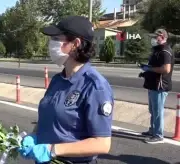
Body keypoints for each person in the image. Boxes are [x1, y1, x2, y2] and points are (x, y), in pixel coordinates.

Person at [18, 16, 114, 164]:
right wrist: (35, 136)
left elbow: (102, 143)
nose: (51, 44)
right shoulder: (57, 80)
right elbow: (48, 117)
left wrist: (53, 150)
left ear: (75, 44)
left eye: (57, 39)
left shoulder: (95, 86)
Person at [140, 28, 174, 144]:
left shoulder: (165, 51)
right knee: (153, 110)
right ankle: (153, 130)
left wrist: (149, 69)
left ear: (163, 37)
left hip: (160, 86)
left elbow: (166, 69)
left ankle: (158, 135)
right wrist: (146, 71)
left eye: (156, 37)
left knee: (158, 111)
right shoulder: (157, 50)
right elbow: (155, 66)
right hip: (153, 85)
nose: (153, 39)